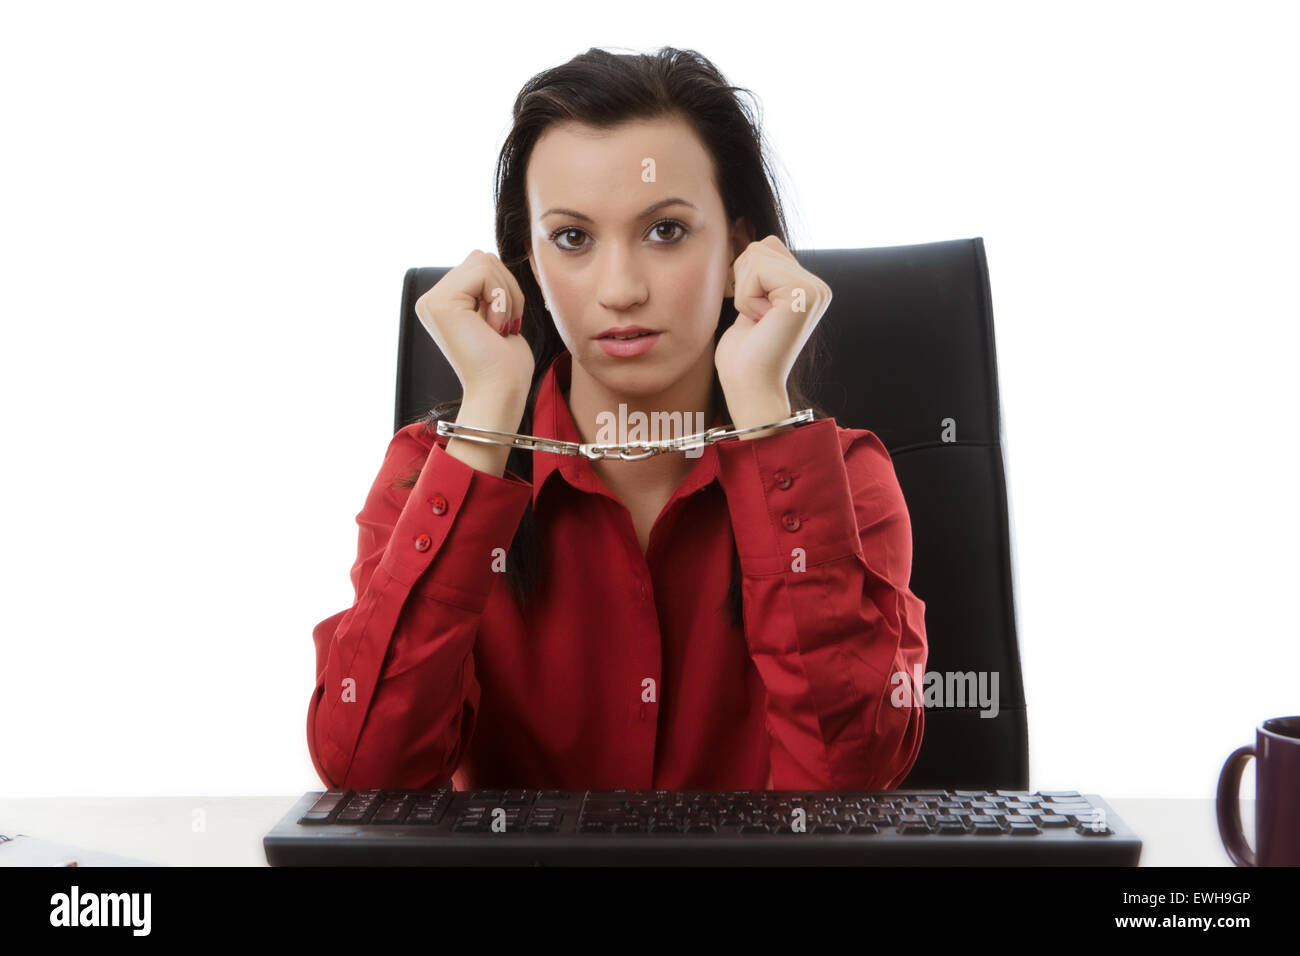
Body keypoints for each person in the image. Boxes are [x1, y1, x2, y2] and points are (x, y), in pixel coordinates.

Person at [307, 47, 928, 793]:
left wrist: (766, 408)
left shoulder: (847, 482)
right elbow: (367, 774)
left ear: (739, 243)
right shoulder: (429, 473)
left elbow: (850, 785)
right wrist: (485, 427)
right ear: (528, 263)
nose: (621, 290)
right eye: (572, 238)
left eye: (665, 231)